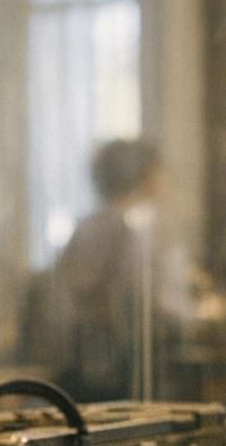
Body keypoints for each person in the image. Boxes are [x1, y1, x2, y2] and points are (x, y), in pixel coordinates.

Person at [52, 139, 183, 402]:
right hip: (120, 360)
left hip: (85, 357)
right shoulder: (132, 228)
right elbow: (148, 298)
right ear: (142, 174)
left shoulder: (85, 226)